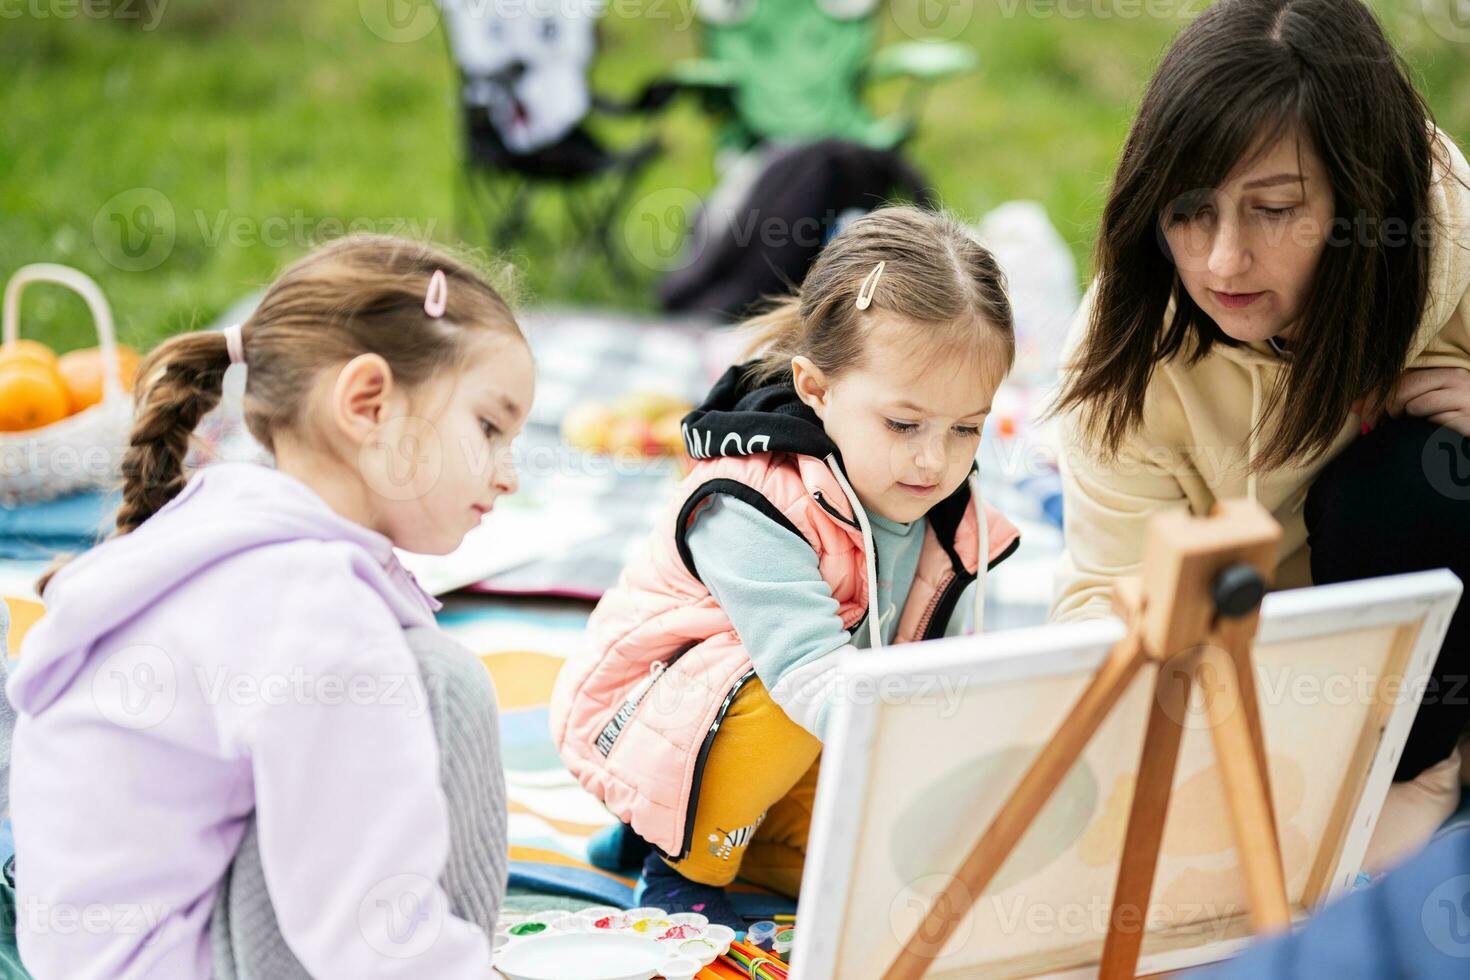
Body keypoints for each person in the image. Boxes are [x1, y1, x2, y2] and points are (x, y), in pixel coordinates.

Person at [7, 235, 532, 978]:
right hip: (184, 960)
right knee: (442, 682)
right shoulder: (308, 599)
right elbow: (362, 919)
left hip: (101, 953)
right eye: (488, 427)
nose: (508, 474)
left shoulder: (219, 523)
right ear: (368, 402)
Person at [1049, 0, 1470, 870]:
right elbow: (1105, 601)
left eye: (1273, 209)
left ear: (1364, 199)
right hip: (1271, 691)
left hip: (1437, 645)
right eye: (1190, 210)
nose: (1222, 261)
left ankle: (1435, 784)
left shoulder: (1449, 240)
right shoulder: (1124, 356)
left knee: (1409, 481)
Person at [551, 206, 1023, 928]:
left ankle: (690, 825)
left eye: (966, 427)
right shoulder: (751, 502)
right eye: (904, 424)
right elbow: (805, 671)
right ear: (815, 388)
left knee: (887, 876)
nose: (935, 459)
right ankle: (680, 856)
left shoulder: (949, 511)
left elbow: (935, 663)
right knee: (788, 704)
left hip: (814, 732)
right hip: (667, 716)